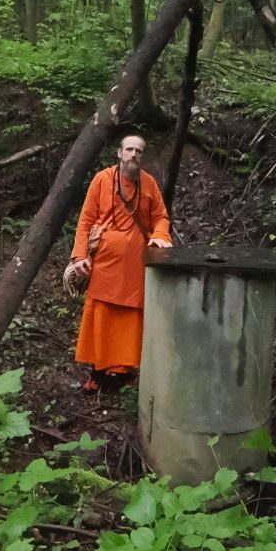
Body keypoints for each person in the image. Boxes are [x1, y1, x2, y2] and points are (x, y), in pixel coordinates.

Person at [63, 134, 171, 392]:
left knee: (130, 318)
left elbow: (160, 217)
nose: (133, 155)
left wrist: (159, 237)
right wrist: (79, 257)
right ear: (120, 153)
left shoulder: (149, 184)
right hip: (104, 264)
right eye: (129, 149)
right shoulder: (102, 180)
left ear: (143, 156)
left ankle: (123, 373)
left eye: (139, 151)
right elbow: (86, 221)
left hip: (135, 265)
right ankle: (97, 373)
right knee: (101, 317)